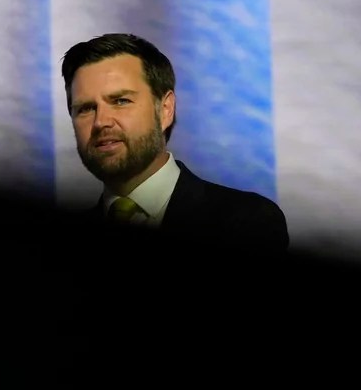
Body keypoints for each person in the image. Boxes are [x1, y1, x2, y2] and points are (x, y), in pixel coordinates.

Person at [60, 33, 289, 252]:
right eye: (86, 108)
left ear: (165, 110)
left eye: (121, 101)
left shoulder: (247, 222)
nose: (101, 121)